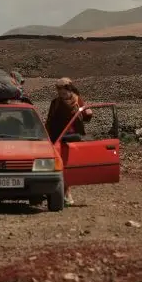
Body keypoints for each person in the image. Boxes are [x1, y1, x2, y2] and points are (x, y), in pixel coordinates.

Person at [45, 78, 94, 206]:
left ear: (69, 89)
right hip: (60, 138)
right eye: (59, 91)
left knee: (70, 166)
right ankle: (65, 194)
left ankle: (67, 194)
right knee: (61, 166)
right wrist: (47, 137)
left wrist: (89, 113)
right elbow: (50, 121)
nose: (61, 94)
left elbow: (85, 117)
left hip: (75, 137)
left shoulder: (78, 100)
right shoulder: (55, 103)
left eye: (63, 91)